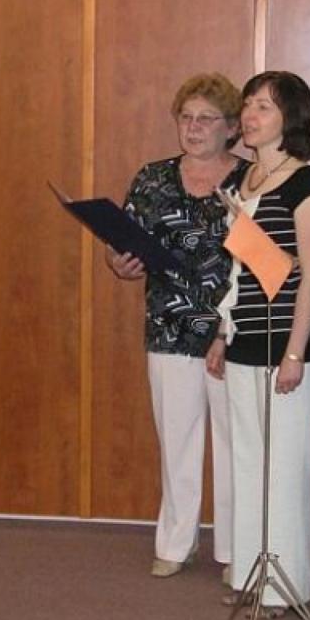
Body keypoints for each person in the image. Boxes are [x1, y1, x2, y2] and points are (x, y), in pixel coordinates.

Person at [106, 73, 248, 579]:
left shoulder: (252, 181)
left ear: (232, 127)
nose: (193, 127)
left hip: (234, 330)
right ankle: (175, 541)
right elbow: (122, 242)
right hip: (168, 325)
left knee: (234, 445)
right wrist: (118, 262)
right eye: (186, 117)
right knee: (176, 439)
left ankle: (236, 550)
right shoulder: (153, 178)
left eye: (206, 118)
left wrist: (227, 328)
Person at [213, 72, 310, 618]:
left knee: (282, 467)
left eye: (263, 106)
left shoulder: (306, 182)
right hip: (244, 336)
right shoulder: (243, 180)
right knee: (247, 462)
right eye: (248, 105)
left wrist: (294, 354)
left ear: (291, 117)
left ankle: (285, 586)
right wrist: (222, 333)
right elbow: (240, 271)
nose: (250, 115)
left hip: (287, 341)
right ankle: (248, 572)